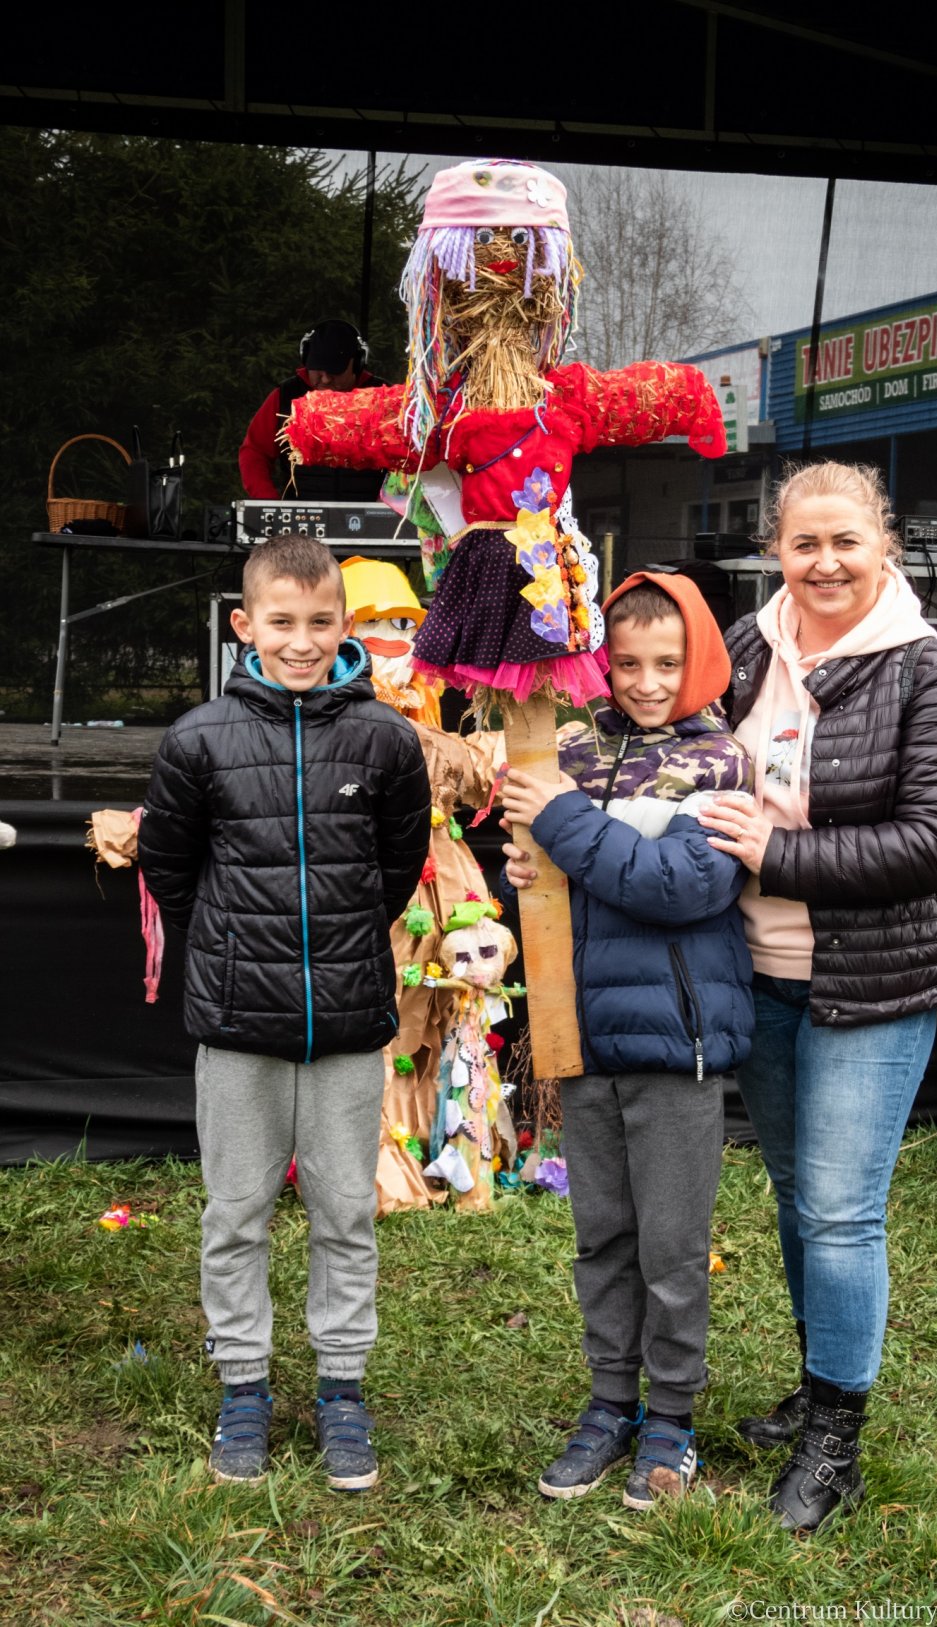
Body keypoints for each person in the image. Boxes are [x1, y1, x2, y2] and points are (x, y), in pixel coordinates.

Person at [697, 460, 937, 1534]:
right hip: (758, 972)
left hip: (876, 981)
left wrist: (778, 854)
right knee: (794, 1193)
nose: (823, 563)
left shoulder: (930, 673)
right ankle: (816, 1374)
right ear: (775, 549)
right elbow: (678, 758)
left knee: (838, 1207)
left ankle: (836, 1440)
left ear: (885, 547)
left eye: (845, 542)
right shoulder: (740, 648)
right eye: (802, 543)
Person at [138, 535, 430, 1491]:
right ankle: (244, 1387)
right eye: (281, 622)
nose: (301, 641)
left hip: (346, 1022)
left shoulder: (385, 739)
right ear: (245, 624)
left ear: (345, 625)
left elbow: (396, 866)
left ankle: (341, 1388)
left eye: (320, 622)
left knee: (346, 1209)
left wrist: (334, 951)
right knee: (236, 1211)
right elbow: (172, 868)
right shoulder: (199, 738)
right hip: (238, 1025)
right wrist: (238, 952)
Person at [498, 572, 754, 1510]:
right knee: (602, 1234)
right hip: (588, 1040)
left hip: (676, 1048)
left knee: (672, 1245)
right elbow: (554, 870)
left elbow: (676, 886)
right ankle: (611, 1403)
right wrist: (529, 863)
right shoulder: (568, 748)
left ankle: (673, 1417)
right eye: (630, 663)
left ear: (702, 661)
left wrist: (560, 821)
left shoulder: (720, 762)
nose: (648, 682)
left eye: (669, 663)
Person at [239, 320, 386, 500]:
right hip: (299, 514)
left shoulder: (383, 397)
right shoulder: (286, 395)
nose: (325, 379)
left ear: (357, 363)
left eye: (335, 371)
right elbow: (254, 452)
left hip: (372, 513)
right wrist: (270, 504)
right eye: (317, 370)